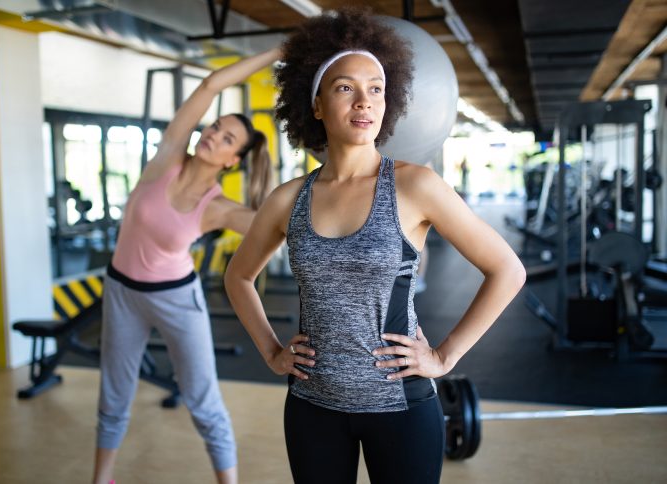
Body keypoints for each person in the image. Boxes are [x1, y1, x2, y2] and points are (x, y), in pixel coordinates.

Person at [224, 8, 525, 484]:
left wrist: (444, 357)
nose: (364, 101)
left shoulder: (414, 186)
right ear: (317, 104)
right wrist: (271, 350)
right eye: (346, 87)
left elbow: (508, 270)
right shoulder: (289, 198)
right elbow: (238, 276)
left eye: (376, 89)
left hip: (401, 407)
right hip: (311, 407)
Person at [92, 47, 280, 484]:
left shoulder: (220, 209)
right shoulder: (165, 160)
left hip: (176, 300)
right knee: (113, 395)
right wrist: (276, 52)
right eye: (216, 126)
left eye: (227, 138)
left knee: (203, 400)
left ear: (232, 161)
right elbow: (211, 85)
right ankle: (101, 480)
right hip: (122, 291)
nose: (213, 134)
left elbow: (282, 222)